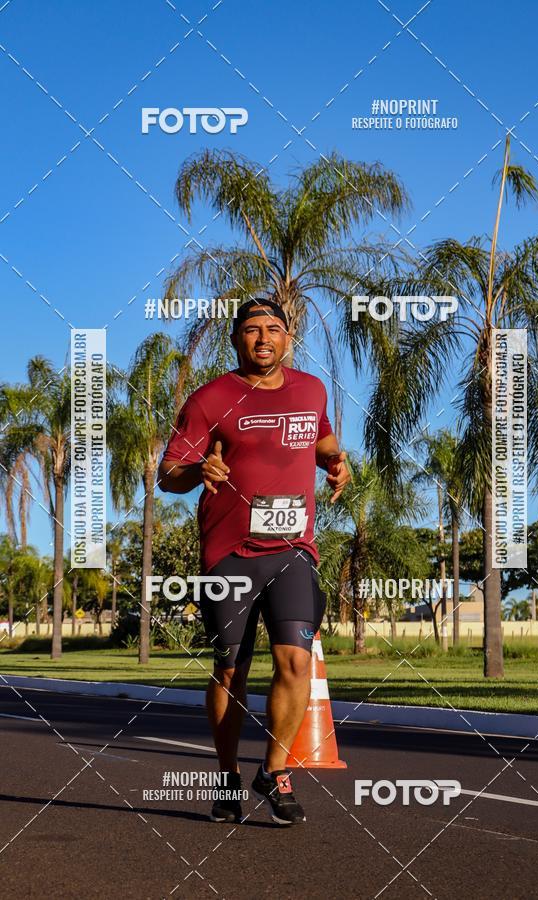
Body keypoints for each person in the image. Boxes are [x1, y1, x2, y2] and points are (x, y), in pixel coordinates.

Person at [158, 296, 351, 826]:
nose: (263, 338)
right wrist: (199, 471)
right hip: (229, 557)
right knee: (230, 671)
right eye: (250, 330)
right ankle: (226, 777)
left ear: (288, 337)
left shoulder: (310, 389)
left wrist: (335, 460)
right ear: (235, 338)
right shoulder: (210, 399)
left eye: (273, 329)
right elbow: (167, 472)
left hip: (293, 550)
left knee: (296, 660)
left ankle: (274, 772)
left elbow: (318, 433)